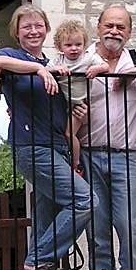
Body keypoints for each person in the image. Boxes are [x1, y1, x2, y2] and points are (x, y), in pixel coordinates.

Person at [0, 4, 95, 270]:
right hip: (32, 146)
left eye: (39, 25)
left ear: (47, 29)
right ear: (17, 31)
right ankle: (39, 257)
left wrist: (78, 115)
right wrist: (37, 71)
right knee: (84, 200)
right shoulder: (12, 56)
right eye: (27, 26)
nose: (34, 31)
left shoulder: (55, 63)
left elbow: (65, 104)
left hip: (59, 146)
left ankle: (40, 266)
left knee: (46, 213)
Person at [78, 4, 136, 270]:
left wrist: (134, 72)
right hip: (89, 154)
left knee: (129, 223)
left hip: (127, 156)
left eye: (121, 27)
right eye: (109, 25)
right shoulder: (83, 58)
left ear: (129, 32)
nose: (114, 31)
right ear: (98, 27)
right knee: (97, 224)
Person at [48, 19, 107, 171]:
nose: (74, 49)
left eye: (78, 44)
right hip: (61, 103)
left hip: (79, 104)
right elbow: (44, 70)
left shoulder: (88, 58)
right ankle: (65, 158)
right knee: (59, 133)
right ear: (59, 47)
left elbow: (105, 66)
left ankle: (75, 163)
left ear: (84, 45)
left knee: (69, 133)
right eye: (68, 45)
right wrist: (56, 69)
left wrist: (96, 70)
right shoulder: (58, 60)